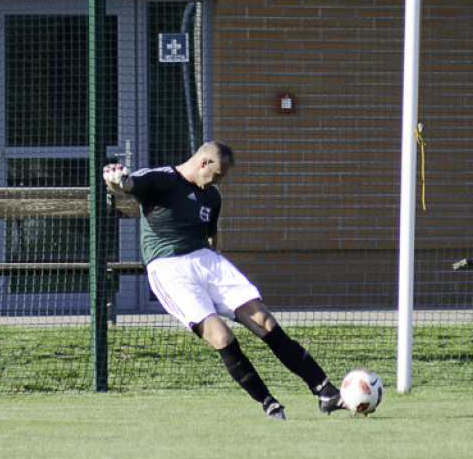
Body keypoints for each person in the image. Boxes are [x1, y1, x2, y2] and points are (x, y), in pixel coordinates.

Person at [103, 141, 345, 420]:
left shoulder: (212, 197)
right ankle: (269, 402)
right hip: (169, 269)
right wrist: (115, 179)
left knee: (264, 321)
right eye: (217, 174)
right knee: (222, 336)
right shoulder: (163, 179)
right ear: (204, 162)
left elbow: (210, 237)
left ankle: (325, 391)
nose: (217, 181)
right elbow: (127, 184)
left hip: (208, 262)